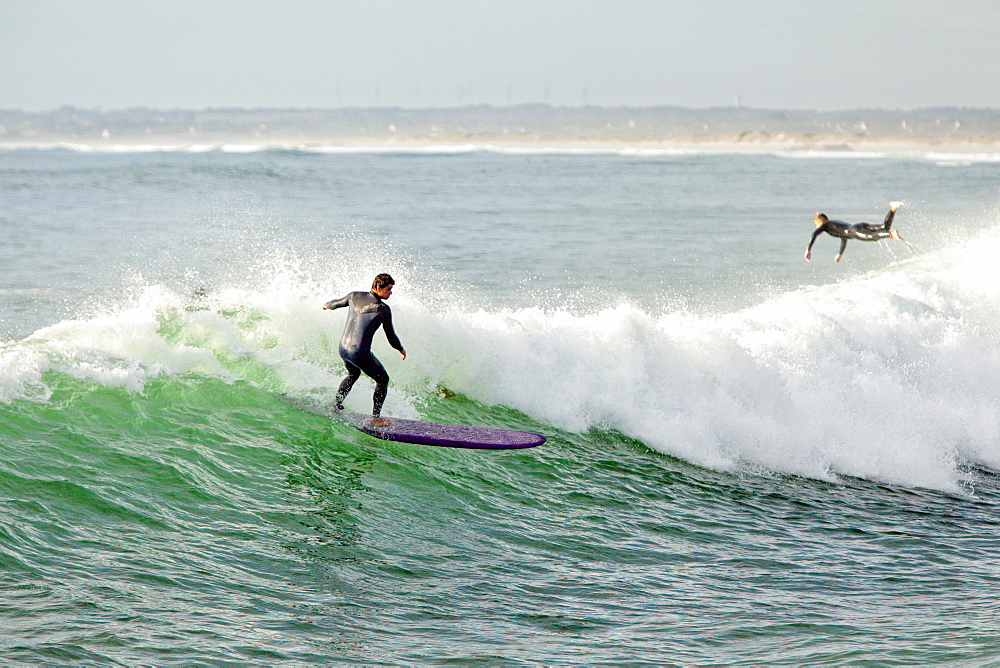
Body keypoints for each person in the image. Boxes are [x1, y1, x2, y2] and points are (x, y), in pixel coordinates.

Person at [323, 273, 406, 427]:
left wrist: (327, 305)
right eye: (388, 289)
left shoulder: (354, 296)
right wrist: (400, 349)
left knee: (353, 373)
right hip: (358, 352)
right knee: (383, 380)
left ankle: (335, 405)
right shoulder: (383, 309)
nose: (391, 292)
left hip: (343, 348)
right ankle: (375, 418)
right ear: (378, 287)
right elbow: (391, 336)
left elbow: (335, 304)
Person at [805, 201, 905, 262]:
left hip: (855, 231)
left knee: (873, 237)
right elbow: (844, 237)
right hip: (858, 226)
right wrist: (840, 254)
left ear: (819, 222)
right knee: (884, 227)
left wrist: (808, 250)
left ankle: (891, 234)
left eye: (816, 224)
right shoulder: (833, 224)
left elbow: (814, 234)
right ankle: (893, 208)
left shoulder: (825, 225)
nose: (817, 227)